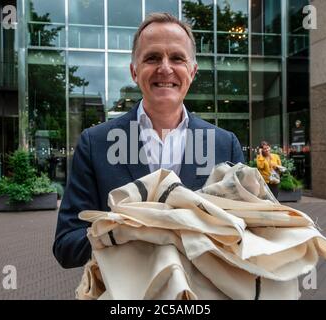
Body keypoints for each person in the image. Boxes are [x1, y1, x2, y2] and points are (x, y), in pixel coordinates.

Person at [53, 13, 244, 268]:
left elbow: (245, 235)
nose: (165, 68)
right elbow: (67, 245)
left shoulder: (224, 145)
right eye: (152, 57)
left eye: (177, 58)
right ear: (134, 71)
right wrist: (128, 232)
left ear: (192, 71)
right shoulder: (95, 144)